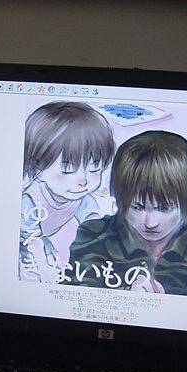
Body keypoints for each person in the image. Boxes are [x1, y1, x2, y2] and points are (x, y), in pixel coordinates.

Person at [68, 130, 187, 296]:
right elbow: (75, 292)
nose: (151, 223)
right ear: (119, 200)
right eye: (137, 207)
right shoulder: (94, 235)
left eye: (165, 208)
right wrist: (126, 294)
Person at [19, 101, 116, 283]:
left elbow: (94, 224)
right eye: (68, 170)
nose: (83, 181)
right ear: (37, 167)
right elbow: (28, 240)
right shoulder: (29, 200)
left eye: (94, 169)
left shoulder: (81, 198)